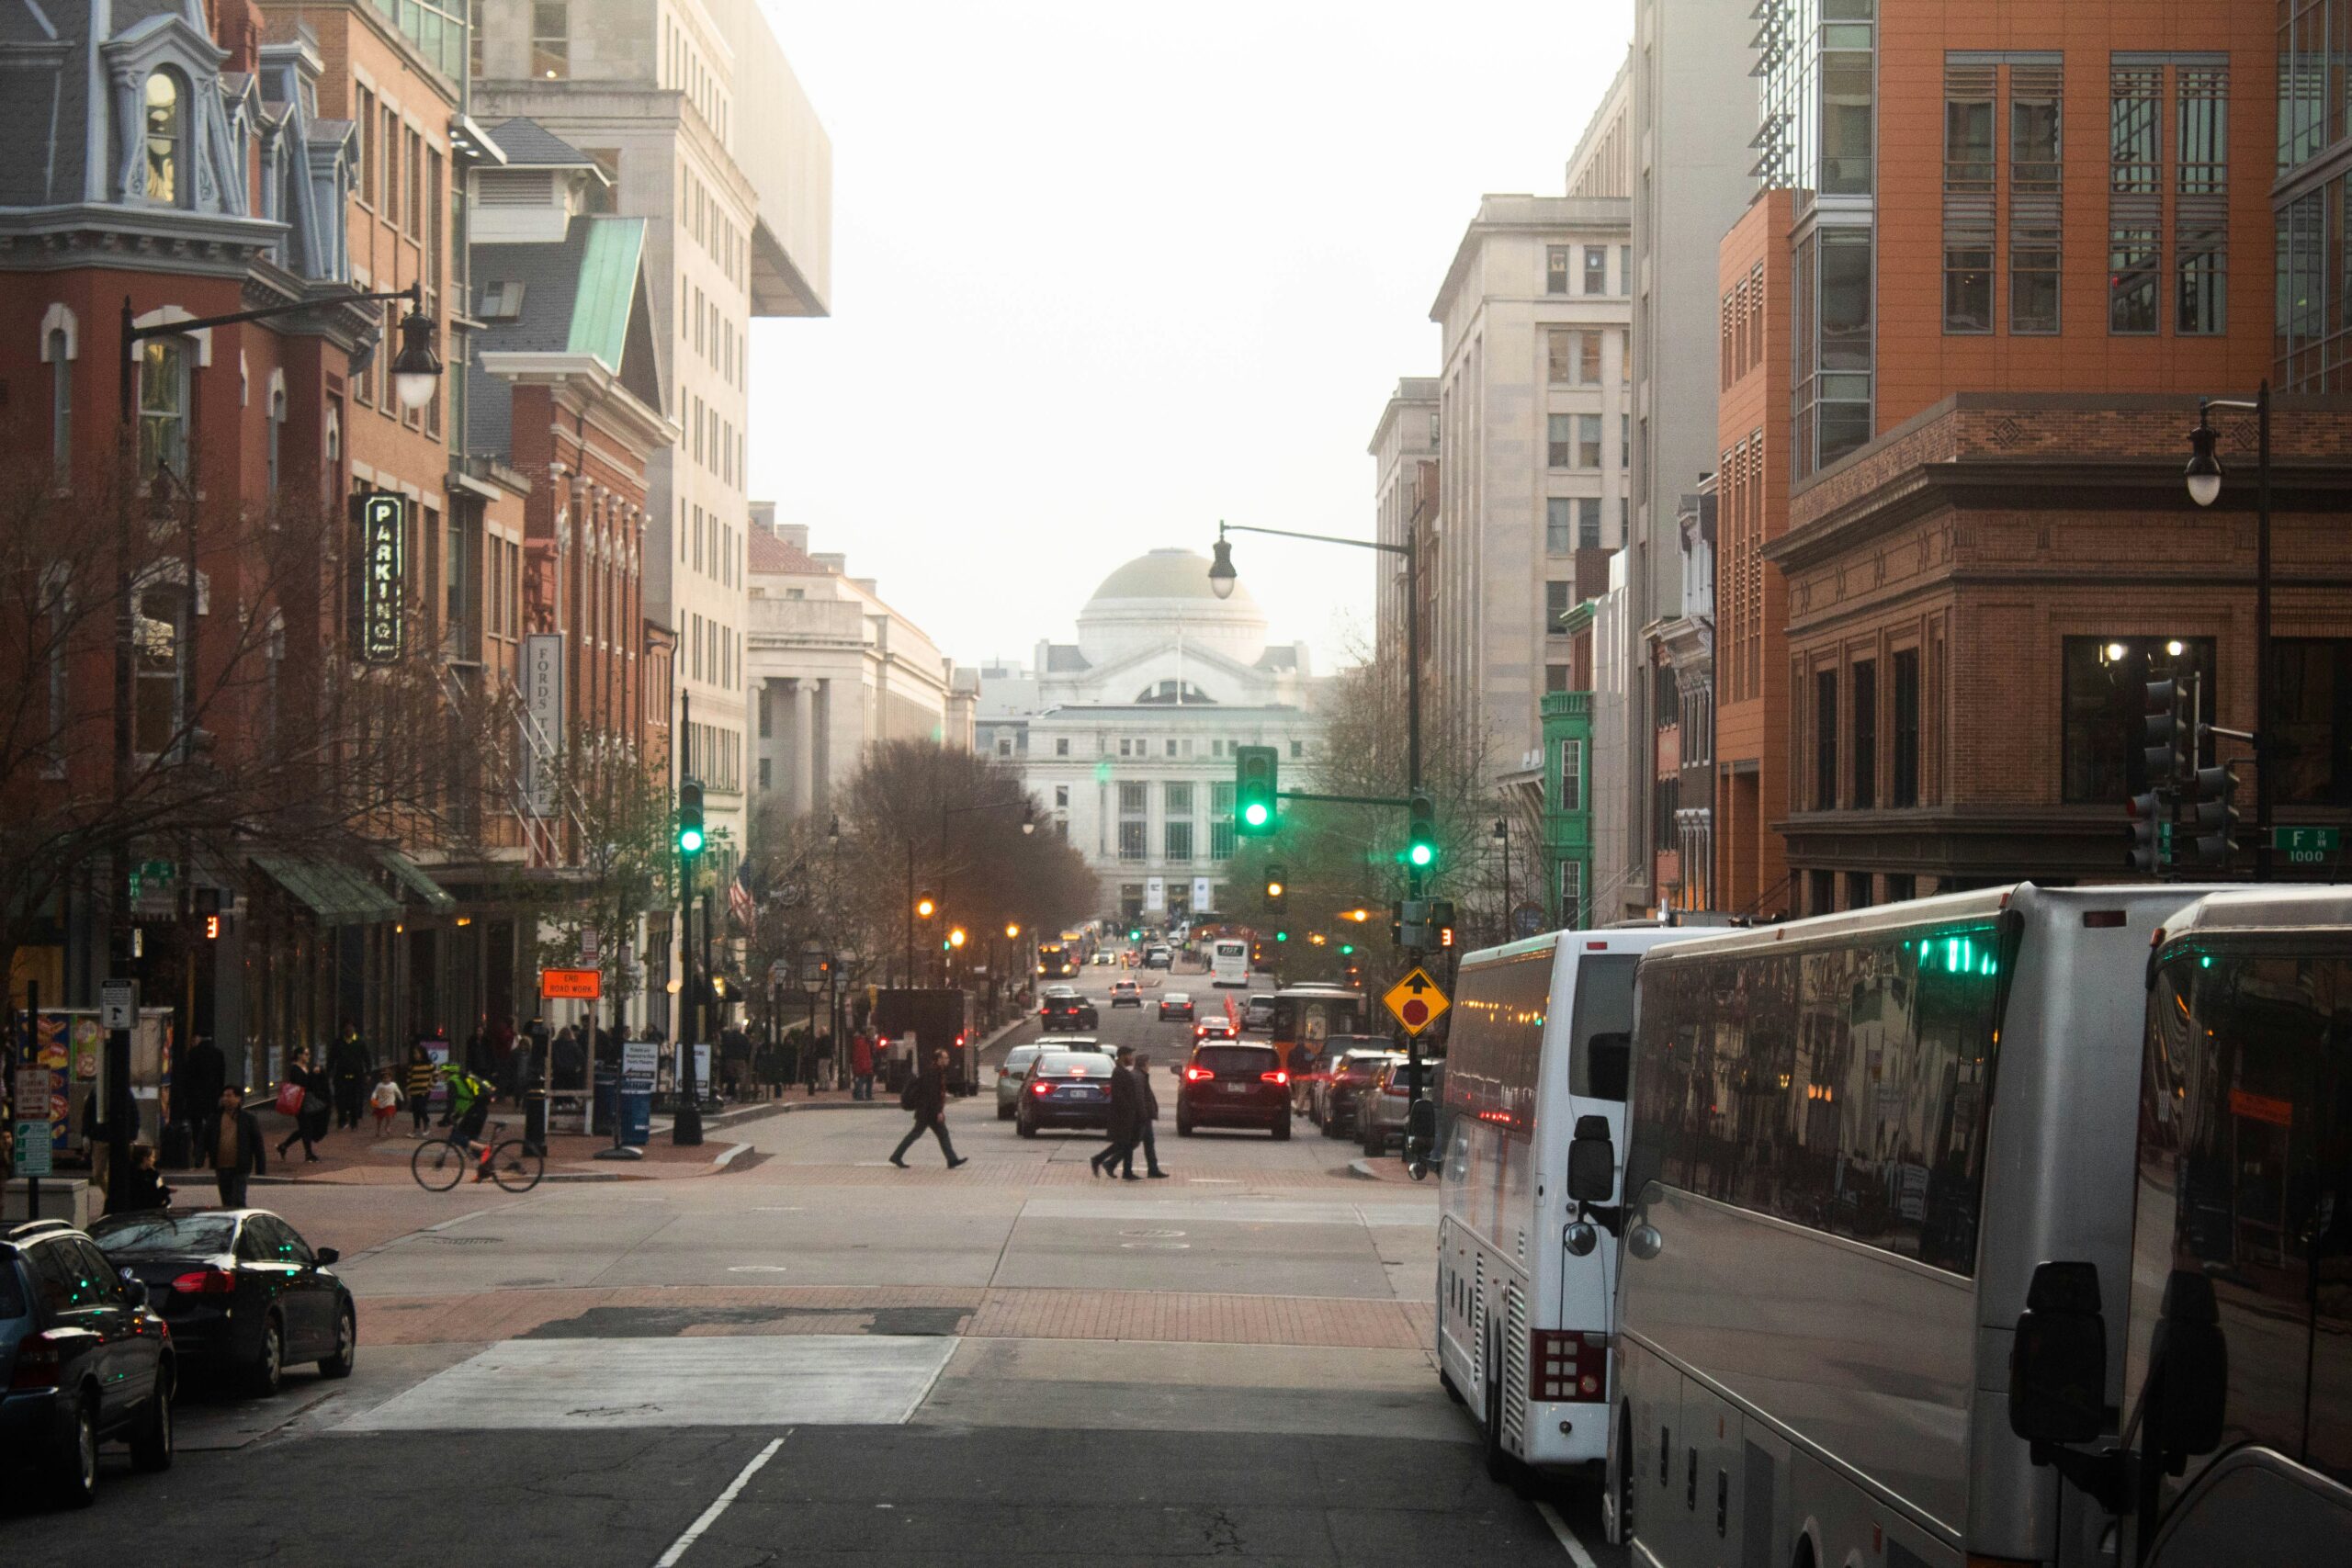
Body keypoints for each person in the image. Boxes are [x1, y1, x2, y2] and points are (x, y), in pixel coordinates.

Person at [888, 1048, 967, 1169]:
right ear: (939, 1060)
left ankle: (952, 1160)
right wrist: (938, 1112)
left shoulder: (936, 1072)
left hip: (927, 1112)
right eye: (945, 1058)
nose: (948, 1060)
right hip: (928, 1112)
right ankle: (896, 1156)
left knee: (939, 1134)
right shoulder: (933, 1074)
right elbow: (932, 1096)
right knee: (919, 1134)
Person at [204, 1086, 266, 1208]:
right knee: (226, 1200)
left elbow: (257, 1143)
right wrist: (200, 1157)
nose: (225, 1099)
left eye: (229, 1096)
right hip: (221, 1165)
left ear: (238, 1098)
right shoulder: (215, 1117)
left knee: (238, 1199)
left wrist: (260, 1166)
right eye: (224, 1096)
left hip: (240, 1165)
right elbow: (205, 1137)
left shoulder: (247, 1118)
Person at [1092, 1047, 1143, 1180]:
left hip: (1127, 1114)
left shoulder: (1122, 1071)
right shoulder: (1118, 1073)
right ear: (1122, 1057)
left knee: (1126, 1143)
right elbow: (1119, 1095)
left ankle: (1123, 1170)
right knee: (1123, 1143)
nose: (1131, 1058)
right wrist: (1129, 1109)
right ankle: (1100, 1160)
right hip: (1122, 1115)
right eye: (1129, 1055)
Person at [276, 1045, 329, 1161]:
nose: (308, 1056)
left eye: (308, 1054)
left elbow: (313, 1083)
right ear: (299, 1055)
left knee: (305, 1129)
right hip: (300, 1102)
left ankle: (284, 1146)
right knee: (306, 1128)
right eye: (306, 1054)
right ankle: (308, 1154)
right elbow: (300, 1084)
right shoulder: (295, 1069)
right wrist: (312, 1074)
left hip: (309, 1101)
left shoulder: (307, 1068)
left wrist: (318, 1073)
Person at [176, 1032, 226, 1152]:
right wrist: (220, 1092)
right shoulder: (218, 1053)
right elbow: (221, 1075)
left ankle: (198, 1145)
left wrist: (186, 1093)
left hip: (195, 1094)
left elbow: (187, 1075)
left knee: (196, 1122)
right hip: (212, 1094)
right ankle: (212, 1145)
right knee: (212, 1121)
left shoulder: (193, 1053)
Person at [1123, 1052, 1170, 1179]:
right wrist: (1143, 1114)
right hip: (1140, 1117)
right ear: (1143, 1064)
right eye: (1148, 1063)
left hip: (1143, 1116)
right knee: (1133, 1143)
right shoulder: (1139, 1077)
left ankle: (1152, 1169)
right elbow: (1139, 1098)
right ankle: (1124, 1169)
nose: (1149, 1065)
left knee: (1148, 1142)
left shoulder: (1140, 1075)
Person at [328, 1021, 371, 1131]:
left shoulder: (360, 1042)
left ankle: (354, 1122)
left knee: (354, 1099)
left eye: (351, 1028)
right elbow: (331, 1058)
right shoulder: (338, 1043)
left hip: (356, 1075)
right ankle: (342, 1121)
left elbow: (367, 1058)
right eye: (347, 1028)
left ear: (354, 1029)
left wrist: (368, 1073)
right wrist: (329, 1072)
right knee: (340, 1099)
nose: (349, 1030)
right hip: (341, 1075)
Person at [113, 1145, 173, 1211]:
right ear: (145, 1159)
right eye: (152, 1157)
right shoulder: (135, 1176)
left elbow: (161, 1187)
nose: (154, 1160)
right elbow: (151, 1195)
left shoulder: (153, 1173)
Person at [403, 1043, 436, 1135]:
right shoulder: (412, 1066)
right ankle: (416, 1128)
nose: (415, 1055)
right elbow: (409, 1078)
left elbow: (435, 1076)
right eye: (414, 1054)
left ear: (422, 1054)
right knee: (415, 1110)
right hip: (414, 1090)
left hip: (424, 1091)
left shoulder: (429, 1065)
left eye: (417, 1053)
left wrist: (430, 1086)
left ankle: (427, 1122)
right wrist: (408, 1090)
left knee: (421, 1107)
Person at [368, 1068, 401, 1138]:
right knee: (379, 1120)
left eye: (388, 1078)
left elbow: (397, 1091)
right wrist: (373, 1099)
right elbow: (375, 1092)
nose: (386, 1079)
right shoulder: (379, 1085)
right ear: (382, 1079)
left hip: (389, 1103)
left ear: (390, 1078)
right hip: (380, 1104)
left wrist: (401, 1097)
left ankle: (387, 1125)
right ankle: (378, 1130)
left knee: (389, 1115)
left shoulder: (393, 1085)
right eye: (384, 1078)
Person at [850, 1032, 876, 1101]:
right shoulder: (863, 1043)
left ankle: (859, 1094)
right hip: (863, 1065)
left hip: (864, 1064)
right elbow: (862, 1056)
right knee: (861, 1079)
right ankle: (861, 1095)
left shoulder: (864, 1043)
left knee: (861, 1079)